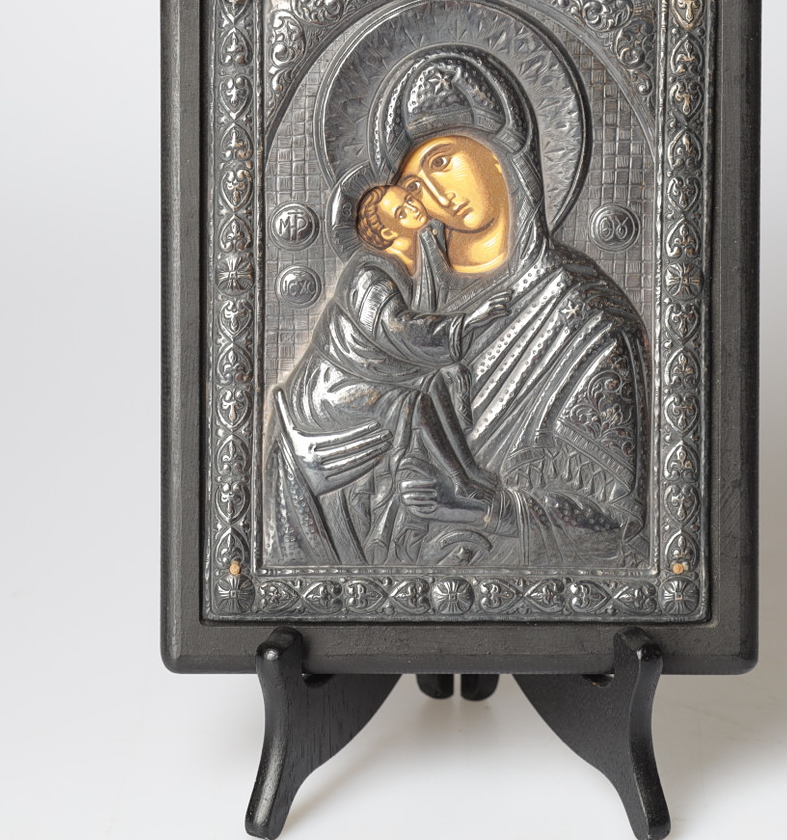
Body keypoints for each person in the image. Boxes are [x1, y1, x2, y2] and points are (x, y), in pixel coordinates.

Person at [268, 46, 649, 570]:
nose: (435, 193)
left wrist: (485, 508)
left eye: (442, 162)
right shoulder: (395, 293)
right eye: (413, 185)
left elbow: (623, 531)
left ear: (500, 153)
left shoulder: (584, 319)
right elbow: (301, 443)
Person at [264, 180, 510, 566]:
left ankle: (465, 474)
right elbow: (397, 330)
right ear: (383, 232)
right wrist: (469, 322)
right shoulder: (369, 275)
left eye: (409, 200)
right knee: (408, 402)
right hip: (328, 392)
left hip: (364, 376)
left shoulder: (410, 265)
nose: (413, 207)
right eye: (400, 211)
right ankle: (452, 481)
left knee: (433, 381)